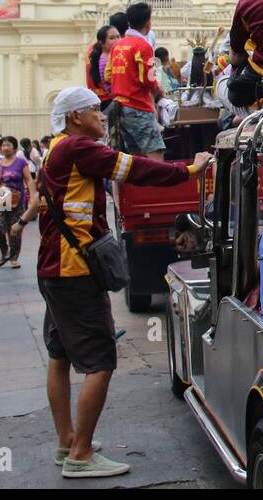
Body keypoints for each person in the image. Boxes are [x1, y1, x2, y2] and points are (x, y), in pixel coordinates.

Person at [12, 87, 209, 478]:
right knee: (100, 362)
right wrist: (190, 168)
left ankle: (68, 440)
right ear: (74, 118)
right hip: (75, 274)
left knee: (60, 355)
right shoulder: (80, 149)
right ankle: (81, 456)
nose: (103, 116)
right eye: (94, 111)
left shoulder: (55, 149)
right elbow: (136, 169)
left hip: (53, 269)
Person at [107, 2, 165, 158]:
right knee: (156, 153)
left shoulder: (117, 46)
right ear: (148, 23)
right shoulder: (144, 46)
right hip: (137, 105)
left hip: (119, 107)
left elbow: (108, 75)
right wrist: (159, 90)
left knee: (135, 156)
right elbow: (148, 80)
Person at [0, 136, 34, 268]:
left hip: (16, 198)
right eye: (3, 145)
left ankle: (14, 257)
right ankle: (4, 252)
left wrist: (32, 197)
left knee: (15, 230)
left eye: (8, 145)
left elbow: (29, 180)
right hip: (2, 197)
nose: (5, 148)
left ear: (14, 147)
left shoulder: (20, 162)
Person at [86, 25, 120, 106]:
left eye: (118, 37)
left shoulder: (104, 55)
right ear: (102, 43)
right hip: (109, 102)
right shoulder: (106, 59)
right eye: (112, 38)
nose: (117, 40)